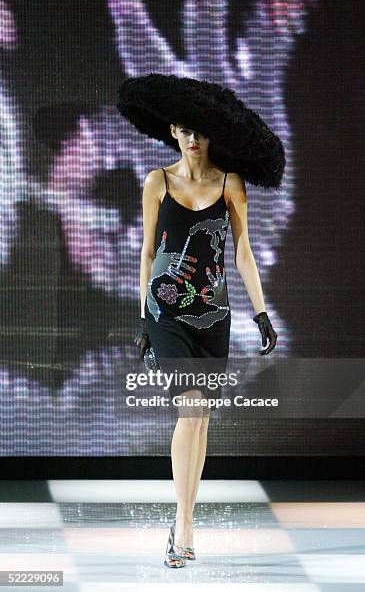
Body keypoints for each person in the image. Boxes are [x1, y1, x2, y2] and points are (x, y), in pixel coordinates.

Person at [117, 73, 285, 568]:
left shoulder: (231, 184)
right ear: (173, 131)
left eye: (201, 131)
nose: (193, 138)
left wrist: (260, 312)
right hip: (167, 312)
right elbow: (147, 254)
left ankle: (183, 518)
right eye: (185, 129)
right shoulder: (157, 182)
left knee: (202, 417)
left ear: (211, 136)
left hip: (214, 315)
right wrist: (144, 319)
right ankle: (185, 525)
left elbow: (244, 253)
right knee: (191, 409)